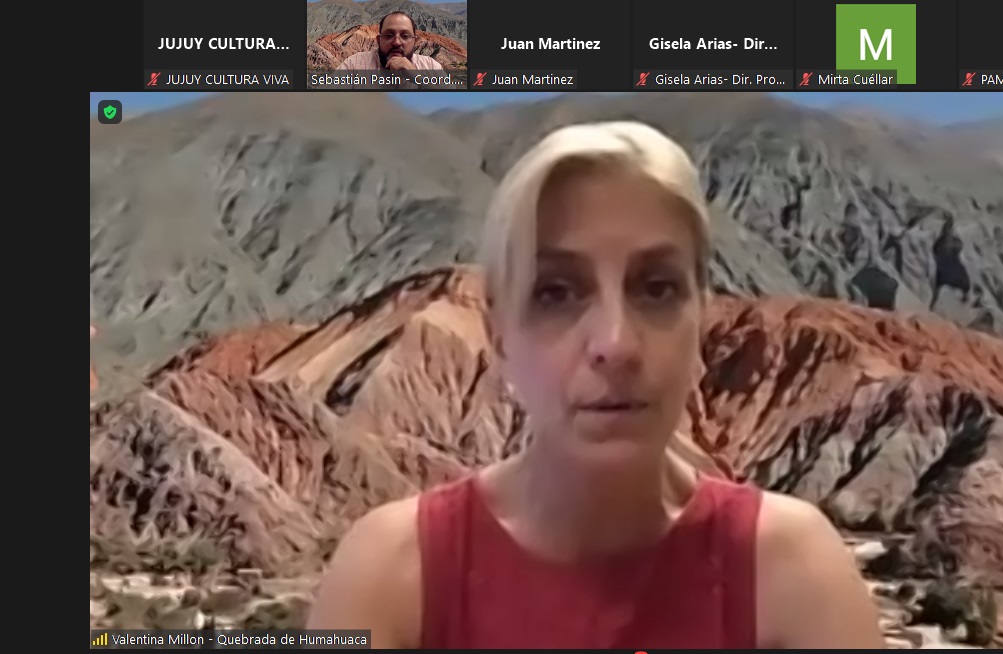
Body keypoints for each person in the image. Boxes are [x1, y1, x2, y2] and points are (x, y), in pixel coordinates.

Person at [307, 122, 886, 649]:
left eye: (656, 288)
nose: (616, 343)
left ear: (701, 317)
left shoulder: (794, 573)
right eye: (556, 292)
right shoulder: (388, 575)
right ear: (499, 331)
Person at [336, 11, 444, 72]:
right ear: (379, 40)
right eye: (389, 35)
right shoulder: (354, 65)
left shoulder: (431, 67)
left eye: (405, 36)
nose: (397, 42)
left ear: (415, 41)